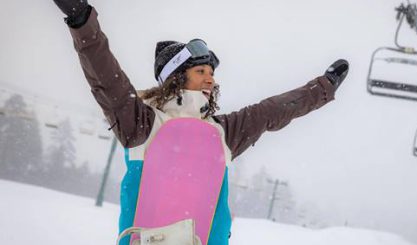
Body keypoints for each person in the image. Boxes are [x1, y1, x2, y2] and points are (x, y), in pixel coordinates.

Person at [51, 1, 349, 244]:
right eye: (201, 71)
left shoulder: (222, 132)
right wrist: (83, 22)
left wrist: (322, 88)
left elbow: (270, 111)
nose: (211, 78)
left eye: (211, 71)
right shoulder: (143, 123)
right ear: (176, 77)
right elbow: (107, 79)